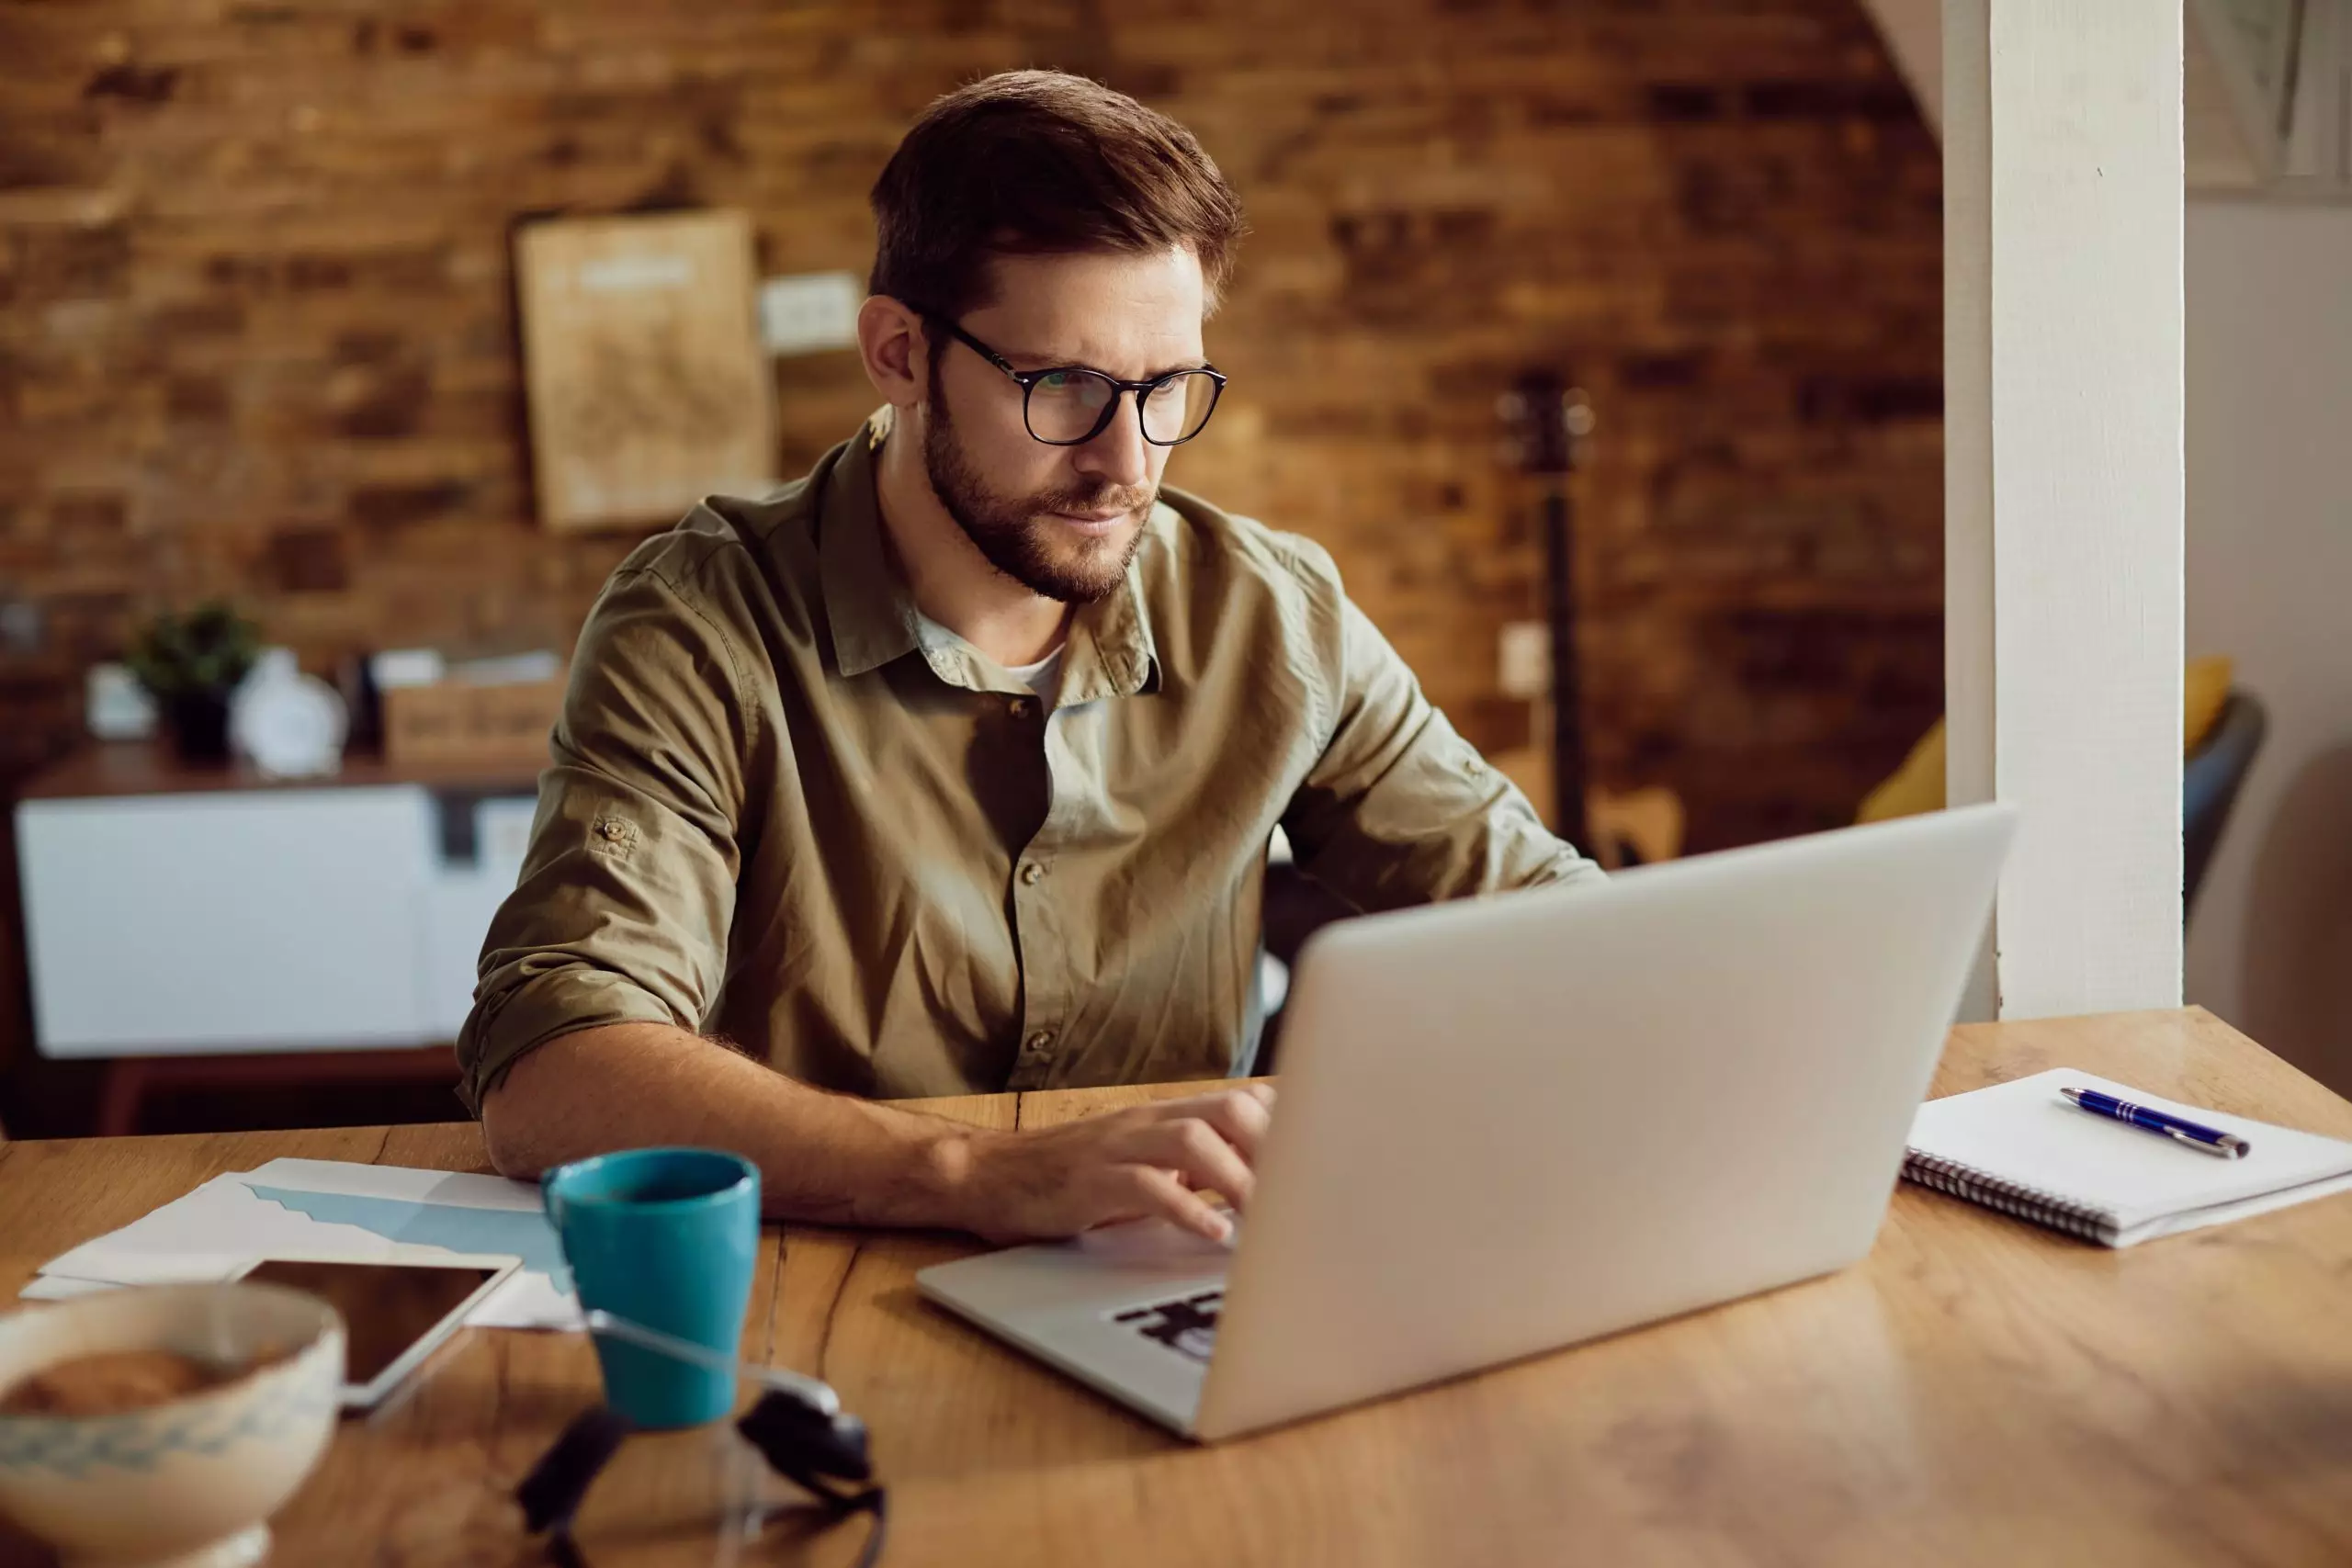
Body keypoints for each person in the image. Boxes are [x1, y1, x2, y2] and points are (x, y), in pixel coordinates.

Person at [462, 69, 1600, 1245]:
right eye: (1065, 387)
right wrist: (974, 1174)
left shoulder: (1273, 614)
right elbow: (555, 1070)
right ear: (899, 354)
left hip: (1166, 1274)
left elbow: (1562, 929)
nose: (1128, 460)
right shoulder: (699, 625)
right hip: (821, 1282)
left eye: (1169, 390)